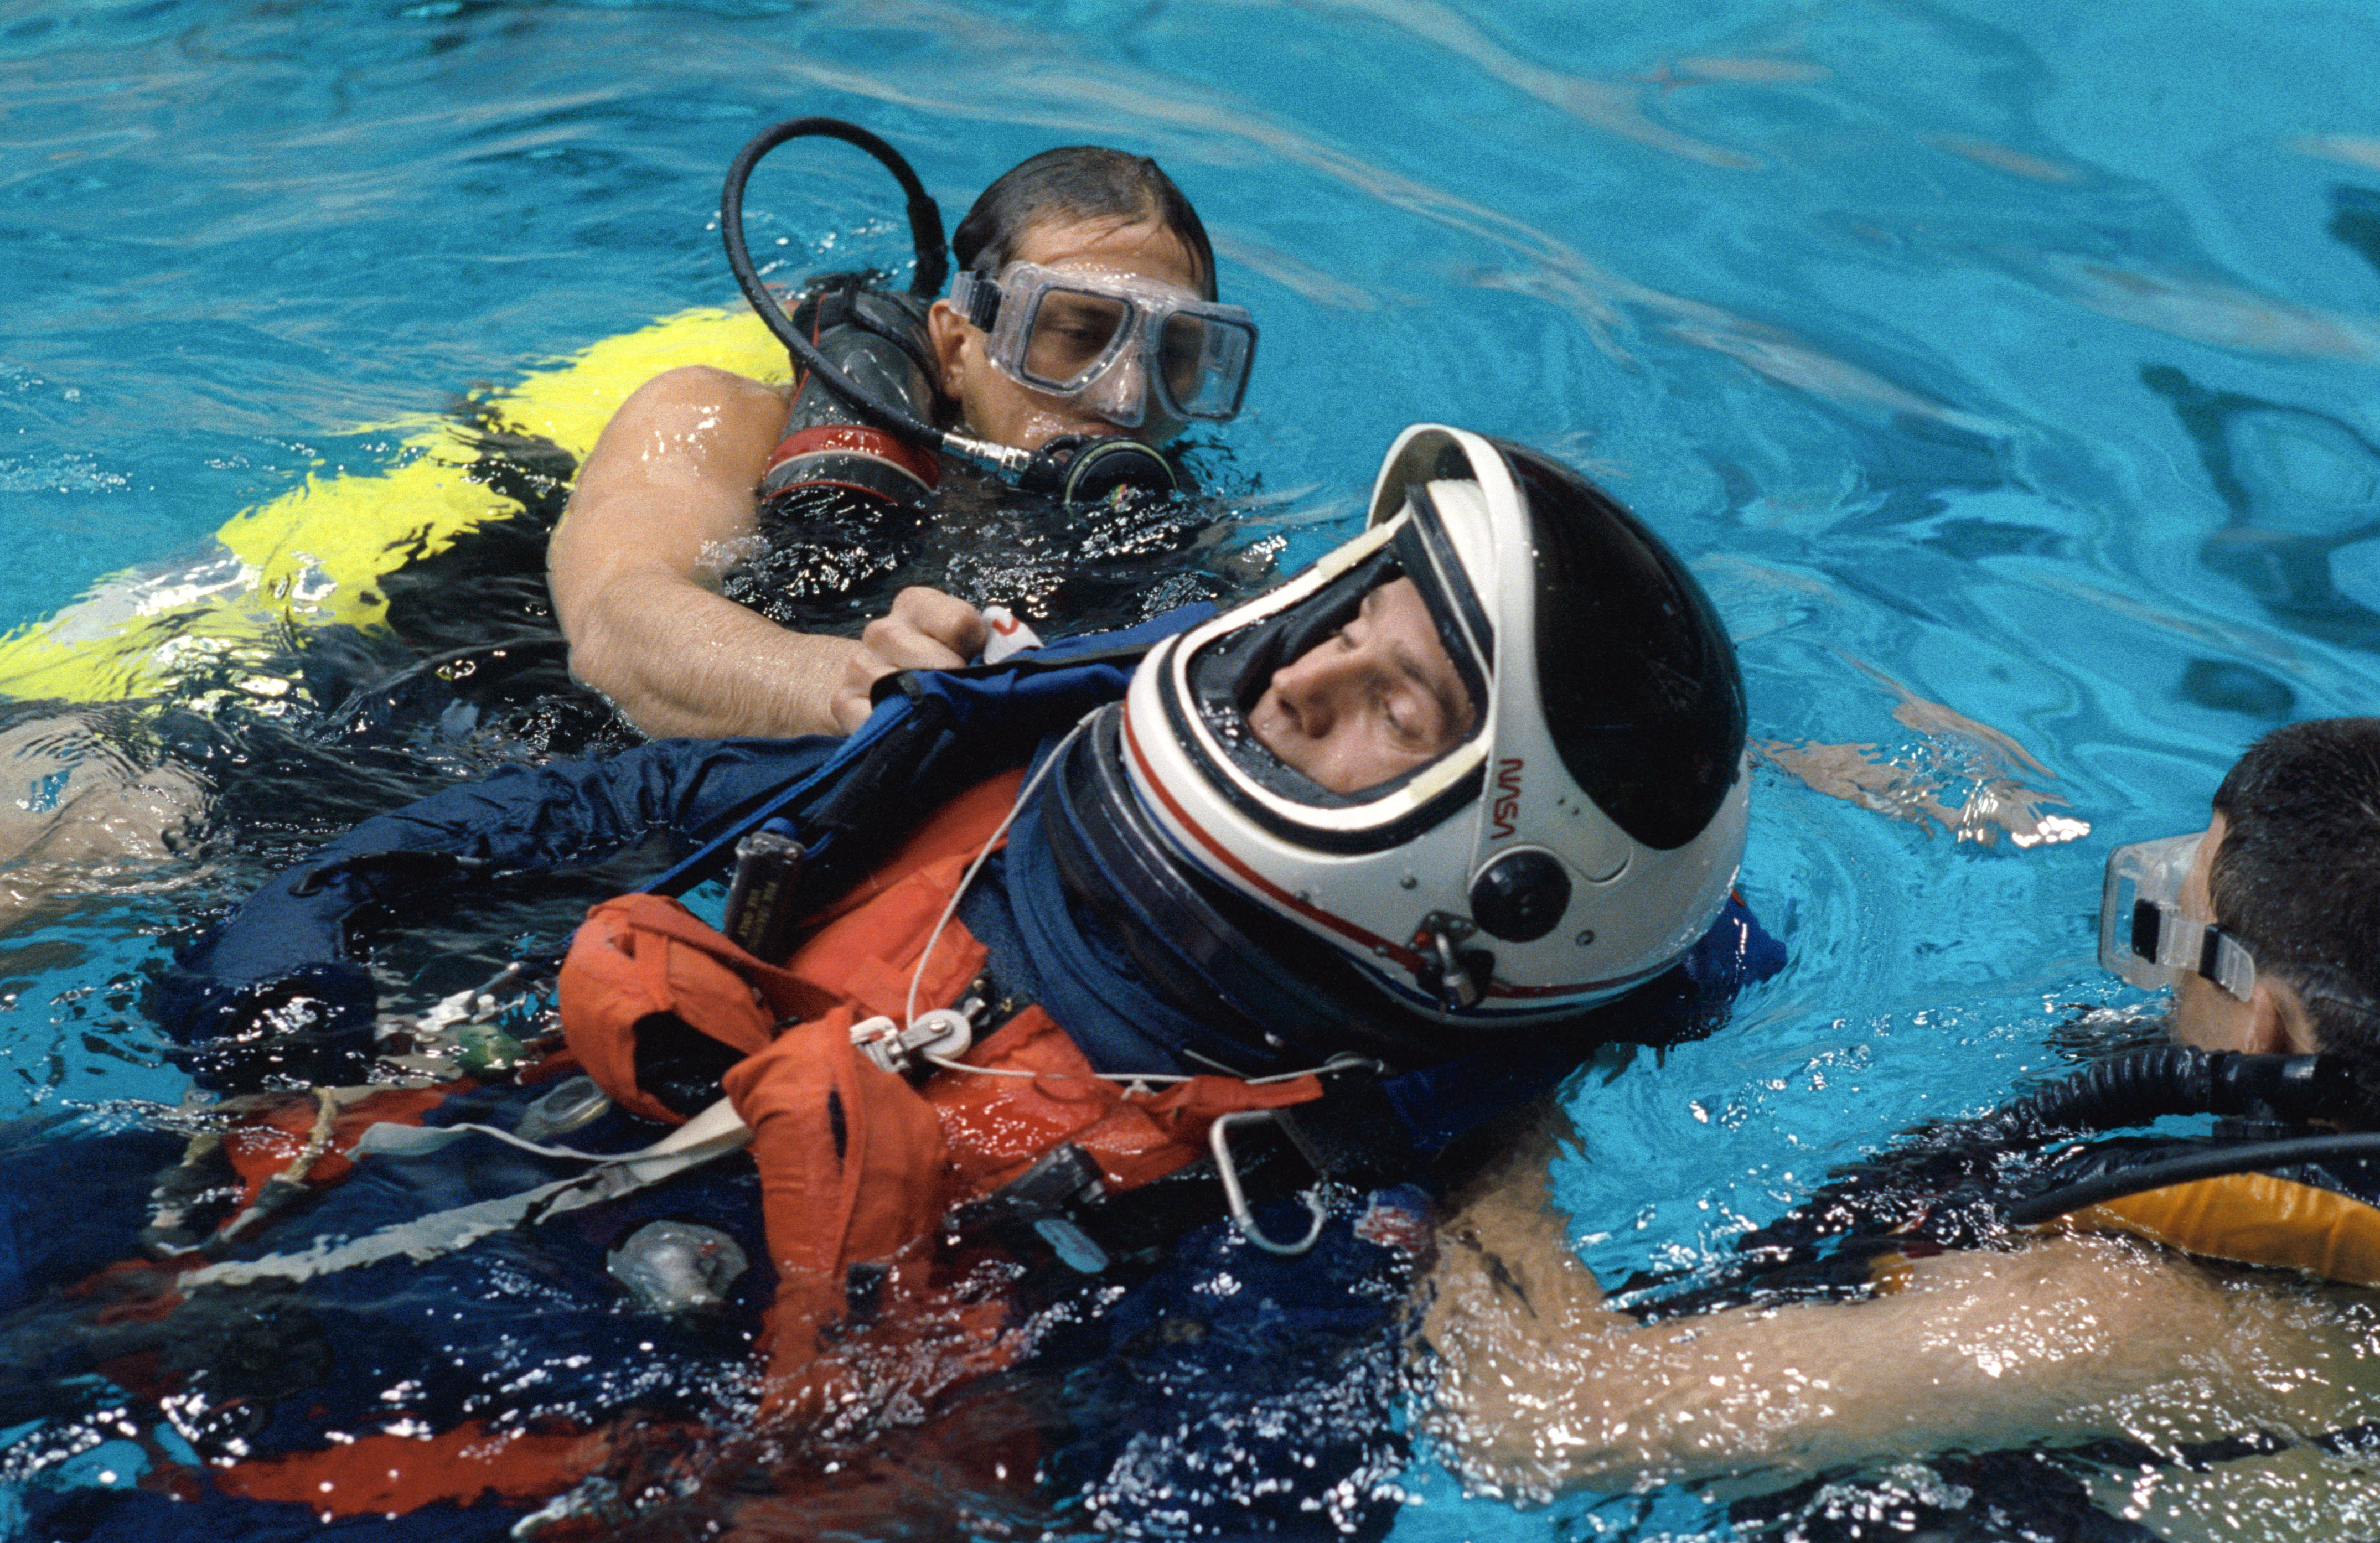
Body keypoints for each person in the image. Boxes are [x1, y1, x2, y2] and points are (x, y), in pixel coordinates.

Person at [8, 426, 1778, 1538]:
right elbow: (503, 826)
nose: (1304, 680)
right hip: (315, 1168)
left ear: (1496, 877)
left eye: (1397, 702)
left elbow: (1240, 1485)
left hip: (550, 1445)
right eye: (1344, 624)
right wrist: (268, 1023)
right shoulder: (990, 762)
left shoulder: (1305, 1200)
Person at [1420, 716, 2380, 1536]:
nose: (2168, 978)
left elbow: (1535, 1420)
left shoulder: (2128, 1315)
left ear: (2265, 1028)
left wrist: (1497, 1114)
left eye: (2186, 929)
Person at [549, 143, 1259, 743]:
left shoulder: (1196, 541)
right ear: (955, 345)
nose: (1126, 397)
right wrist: (842, 685)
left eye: (1176, 355)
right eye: (1074, 334)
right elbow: (618, 620)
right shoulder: (717, 416)